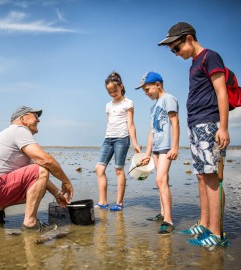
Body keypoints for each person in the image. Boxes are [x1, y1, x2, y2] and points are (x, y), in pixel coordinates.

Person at [158, 22, 230, 246]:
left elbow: (221, 93)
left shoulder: (211, 57)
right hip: (196, 125)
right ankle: (205, 224)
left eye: (176, 48)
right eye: (172, 51)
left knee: (211, 178)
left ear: (189, 39)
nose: (175, 53)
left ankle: (216, 234)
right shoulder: (193, 64)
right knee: (201, 176)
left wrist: (224, 127)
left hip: (210, 123)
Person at [0, 106, 73, 233]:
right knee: (41, 170)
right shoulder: (19, 130)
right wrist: (66, 181)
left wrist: (58, 194)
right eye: (35, 116)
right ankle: (30, 224)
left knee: (38, 187)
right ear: (22, 118)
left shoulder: (15, 135)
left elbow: (38, 177)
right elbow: (46, 161)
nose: (38, 120)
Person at [135, 71, 180, 235]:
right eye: (144, 91)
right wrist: (147, 153)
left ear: (158, 85)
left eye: (148, 90)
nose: (146, 94)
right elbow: (151, 132)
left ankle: (169, 220)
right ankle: (162, 213)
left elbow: (175, 123)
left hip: (167, 146)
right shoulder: (153, 106)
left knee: (161, 179)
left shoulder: (168, 99)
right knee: (159, 180)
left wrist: (175, 147)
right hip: (156, 147)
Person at [95, 71, 141, 211]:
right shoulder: (108, 105)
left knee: (118, 170)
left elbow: (130, 124)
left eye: (115, 90)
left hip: (122, 139)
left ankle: (119, 203)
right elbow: (109, 123)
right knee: (99, 168)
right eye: (110, 92)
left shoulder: (128, 103)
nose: (113, 94)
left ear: (121, 87)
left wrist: (134, 143)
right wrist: (107, 136)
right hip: (108, 139)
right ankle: (102, 202)